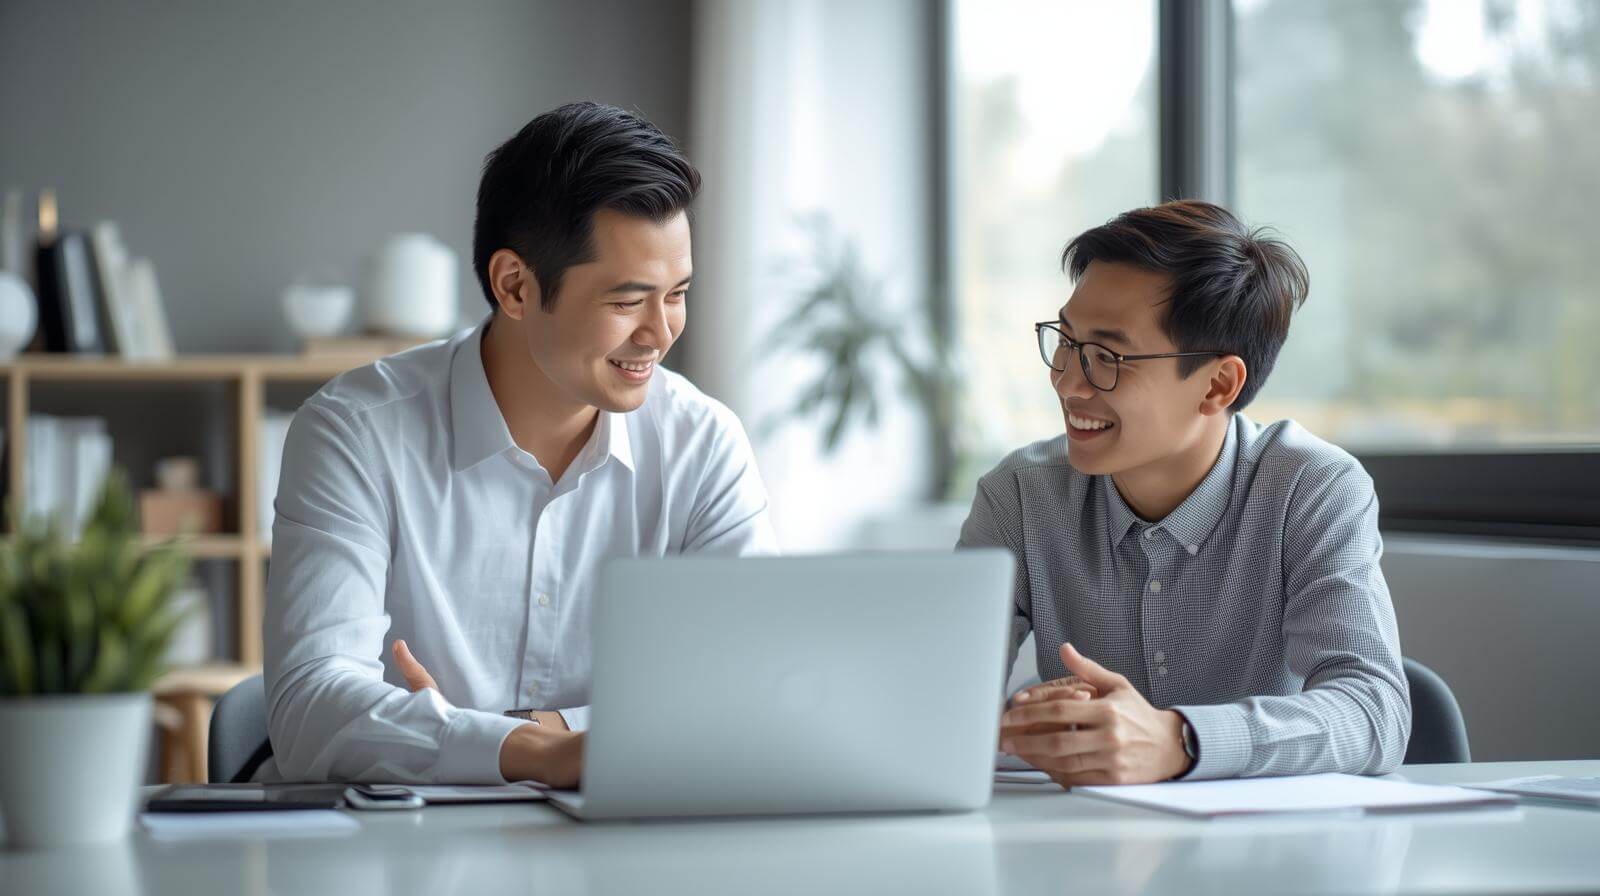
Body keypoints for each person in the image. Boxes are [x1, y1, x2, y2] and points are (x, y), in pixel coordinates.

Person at [260, 102, 776, 786]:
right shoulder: (356, 433)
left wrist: (509, 732)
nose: (661, 333)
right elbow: (309, 710)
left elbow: (753, 687)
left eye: (676, 294)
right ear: (515, 286)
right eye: (627, 302)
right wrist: (550, 754)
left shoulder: (703, 444)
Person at [965, 200, 1410, 786]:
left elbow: (1374, 713)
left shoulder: (1311, 489)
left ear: (1217, 385)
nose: (1068, 382)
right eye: (1066, 342)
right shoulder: (1019, 496)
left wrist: (1178, 741)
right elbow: (940, 701)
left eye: (1107, 357)